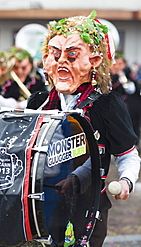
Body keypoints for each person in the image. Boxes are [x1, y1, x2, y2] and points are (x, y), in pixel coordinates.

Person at [26, 10, 140, 246]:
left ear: (94, 62)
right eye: (54, 54)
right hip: (39, 204)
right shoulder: (38, 103)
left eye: (72, 55)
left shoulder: (106, 105)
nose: (60, 63)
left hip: (86, 207)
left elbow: (127, 154)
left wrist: (127, 181)